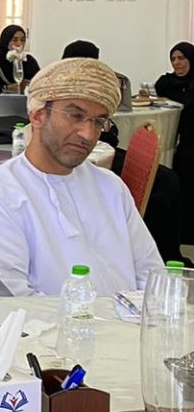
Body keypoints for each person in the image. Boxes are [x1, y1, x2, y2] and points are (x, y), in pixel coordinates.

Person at [0, 58, 163, 297]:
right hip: (50, 322)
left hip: (130, 320)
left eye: (98, 122)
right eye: (75, 115)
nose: (88, 134)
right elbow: (9, 303)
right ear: (37, 116)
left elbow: (152, 277)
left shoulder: (111, 187)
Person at [61, 39, 183, 263]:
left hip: (100, 150)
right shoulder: (62, 92)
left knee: (166, 180)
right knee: (164, 183)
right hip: (81, 157)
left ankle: (157, 251)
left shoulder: (97, 88)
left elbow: (109, 130)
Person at [156, 42, 194, 241]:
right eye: (173, 59)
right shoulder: (167, 82)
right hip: (182, 143)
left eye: (181, 58)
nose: (176, 63)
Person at [0, 24, 40, 90]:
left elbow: (40, 84)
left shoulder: (29, 61)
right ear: (5, 41)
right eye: (15, 40)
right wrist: (6, 88)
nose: (19, 44)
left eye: (22, 40)